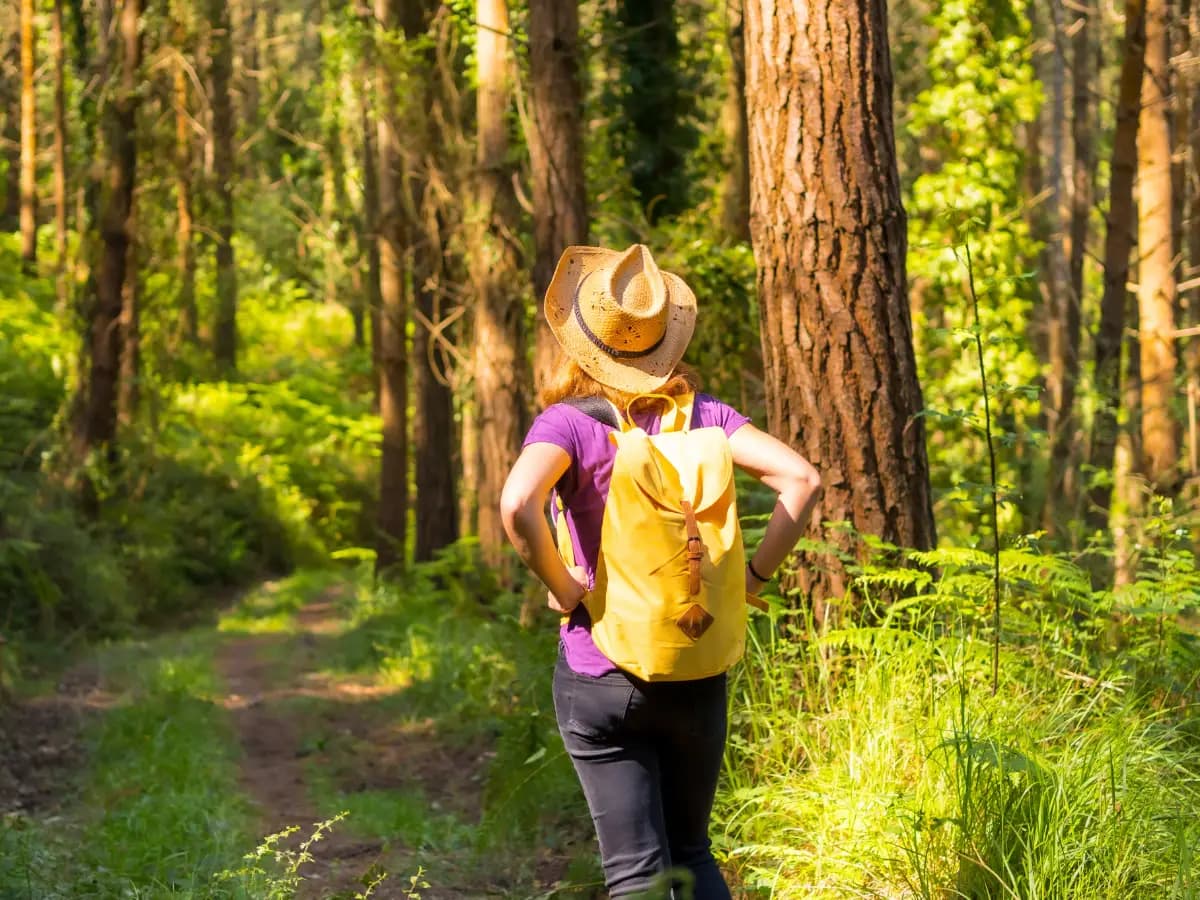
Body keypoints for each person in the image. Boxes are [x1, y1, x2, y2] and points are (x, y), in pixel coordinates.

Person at [500, 244, 821, 899]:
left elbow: (516, 505)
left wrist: (568, 593)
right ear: (659, 344)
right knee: (693, 855)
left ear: (580, 341)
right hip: (694, 664)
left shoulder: (567, 425)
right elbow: (803, 480)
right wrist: (752, 580)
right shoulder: (707, 418)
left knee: (636, 874)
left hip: (599, 670)